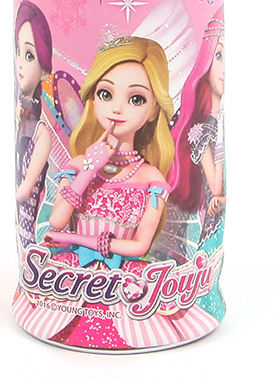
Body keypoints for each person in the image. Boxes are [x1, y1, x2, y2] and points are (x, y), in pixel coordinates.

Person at [13, 36, 219, 349]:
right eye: (106, 94)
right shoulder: (78, 165)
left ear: (153, 110)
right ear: (93, 98)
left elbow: (140, 246)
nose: (117, 108)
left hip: (126, 283)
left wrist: (76, 239)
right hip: (72, 281)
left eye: (136, 99)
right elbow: (57, 221)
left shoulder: (151, 178)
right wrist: (89, 170)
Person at [169, 6, 226, 239]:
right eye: (219, 56)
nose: (225, 69)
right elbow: (216, 188)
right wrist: (220, 139)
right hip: (212, 225)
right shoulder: (203, 129)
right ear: (207, 59)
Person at [14, 1, 53, 249]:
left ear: (44, 71)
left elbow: (25, 191)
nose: (19, 62)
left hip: (29, 225)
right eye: (18, 50)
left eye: (29, 56)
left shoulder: (41, 133)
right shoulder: (22, 121)